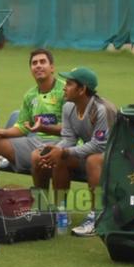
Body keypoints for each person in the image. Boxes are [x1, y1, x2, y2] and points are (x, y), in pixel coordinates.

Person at [33, 66, 111, 237]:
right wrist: (57, 150)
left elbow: (100, 145)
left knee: (93, 159)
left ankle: (97, 216)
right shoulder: (69, 107)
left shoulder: (101, 110)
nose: (63, 87)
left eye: (69, 84)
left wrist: (65, 151)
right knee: (51, 155)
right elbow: (68, 138)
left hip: (115, 158)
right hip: (92, 155)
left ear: (82, 89)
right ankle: (60, 212)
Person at [0, 48, 65, 190]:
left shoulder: (66, 90)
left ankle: (44, 205)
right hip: (35, 143)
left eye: (43, 62)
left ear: (52, 67)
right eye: (34, 63)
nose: (38, 65)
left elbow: (73, 128)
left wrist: (44, 128)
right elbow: (22, 127)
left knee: (39, 155)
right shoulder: (30, 95)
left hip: (61, 144)